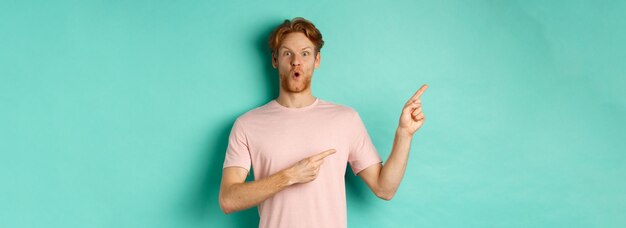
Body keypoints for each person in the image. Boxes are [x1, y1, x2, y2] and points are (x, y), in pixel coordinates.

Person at [219, 17, 428, 228]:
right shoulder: (247, 124)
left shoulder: (346, 119)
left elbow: (385, 189)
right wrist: (289, 176)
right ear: (275, 60)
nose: (296, 61)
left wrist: (404, 134)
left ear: (317, 60)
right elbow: (228, 199)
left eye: (305, 53)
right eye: (287, 53)